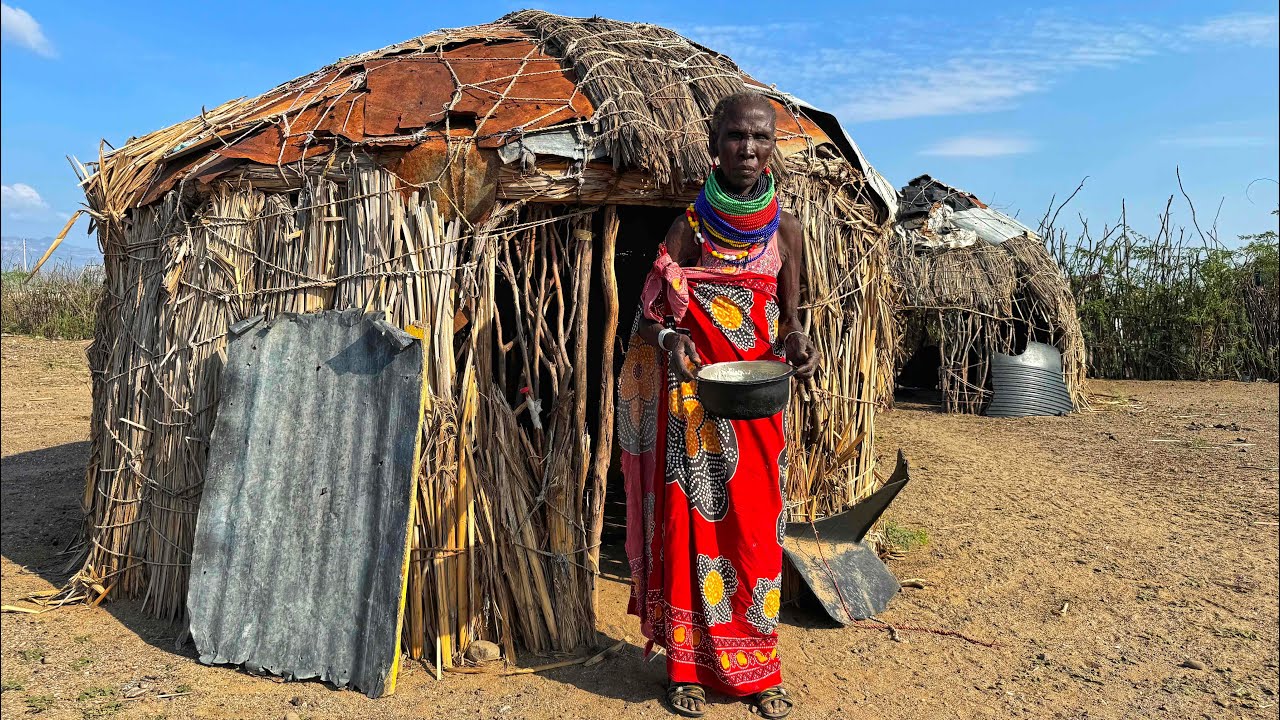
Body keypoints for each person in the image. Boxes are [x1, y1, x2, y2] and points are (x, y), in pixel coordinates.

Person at [617, 91, 819, 719]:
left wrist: (797, 343)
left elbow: (793, 317)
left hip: (757, 407)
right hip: (694, 406)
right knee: (690, 534)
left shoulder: (785, 228)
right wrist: (672, 336)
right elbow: (648, 316)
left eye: (761, 138)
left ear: (773, 146)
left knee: (756, 535)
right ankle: (686, 671)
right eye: (737, 137)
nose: (749, 150)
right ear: (714, 143)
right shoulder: (690, 228)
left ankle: (758, 671)